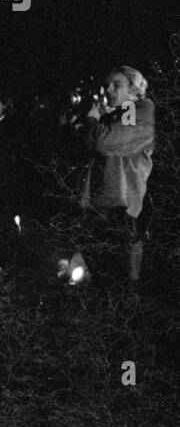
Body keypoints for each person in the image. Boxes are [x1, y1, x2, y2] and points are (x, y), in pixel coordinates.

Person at [79, 65, 155, 286]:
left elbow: (105, 141)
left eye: (116, 85)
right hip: (106, 201)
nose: (108, 89)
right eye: (106, 85)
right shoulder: (123, 112)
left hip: (121, 204)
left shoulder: (137, 109)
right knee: (103, 271)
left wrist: (92, 119)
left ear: (133, 89)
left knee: (116, 275)